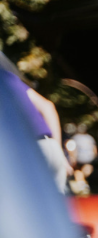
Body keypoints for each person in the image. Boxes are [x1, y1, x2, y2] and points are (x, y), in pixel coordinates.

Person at [0, 59, 71, 193]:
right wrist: (58, 149)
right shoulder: (10, 78)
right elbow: (48, 106)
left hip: (31, 151)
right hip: (51, 147)